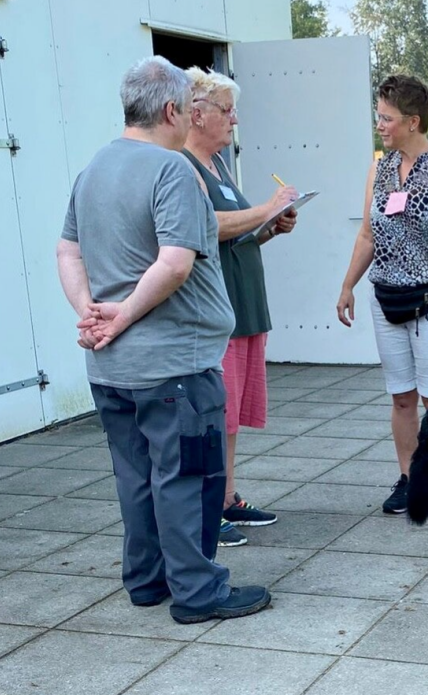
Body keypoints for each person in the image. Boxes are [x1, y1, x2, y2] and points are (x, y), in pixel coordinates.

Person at [56, 56, 270, 624]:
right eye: (191, 107)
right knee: (189, 478)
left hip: (110, 368)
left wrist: (89, 314)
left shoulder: (94, 169)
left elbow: (68, 250)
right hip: (175, 364)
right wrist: (120, 315)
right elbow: (176, 264)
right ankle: (199, 592)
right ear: (173, 110)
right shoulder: (173, 171)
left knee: (137, 477)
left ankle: (148, 582)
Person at [336, 74, 428, 515]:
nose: (379, 124)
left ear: (413, 122)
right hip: (387, 299)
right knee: (401, 396)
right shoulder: (377, 170)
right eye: (378, 116)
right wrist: (347, 285)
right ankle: (410, 479)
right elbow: (367, 235)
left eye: (387, 117)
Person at [182, 66, 298, 548]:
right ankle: (209, 508)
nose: (234, 121)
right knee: (216, 414)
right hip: (217, 312)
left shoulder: (220, 166)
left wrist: (270, 227)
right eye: (227, 111)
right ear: (196, 113)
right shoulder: (183, 166)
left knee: (235, 415)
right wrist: (266, 208)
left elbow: (236, 234)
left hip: (246, 306)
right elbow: (207, 226)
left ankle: (227, 496)